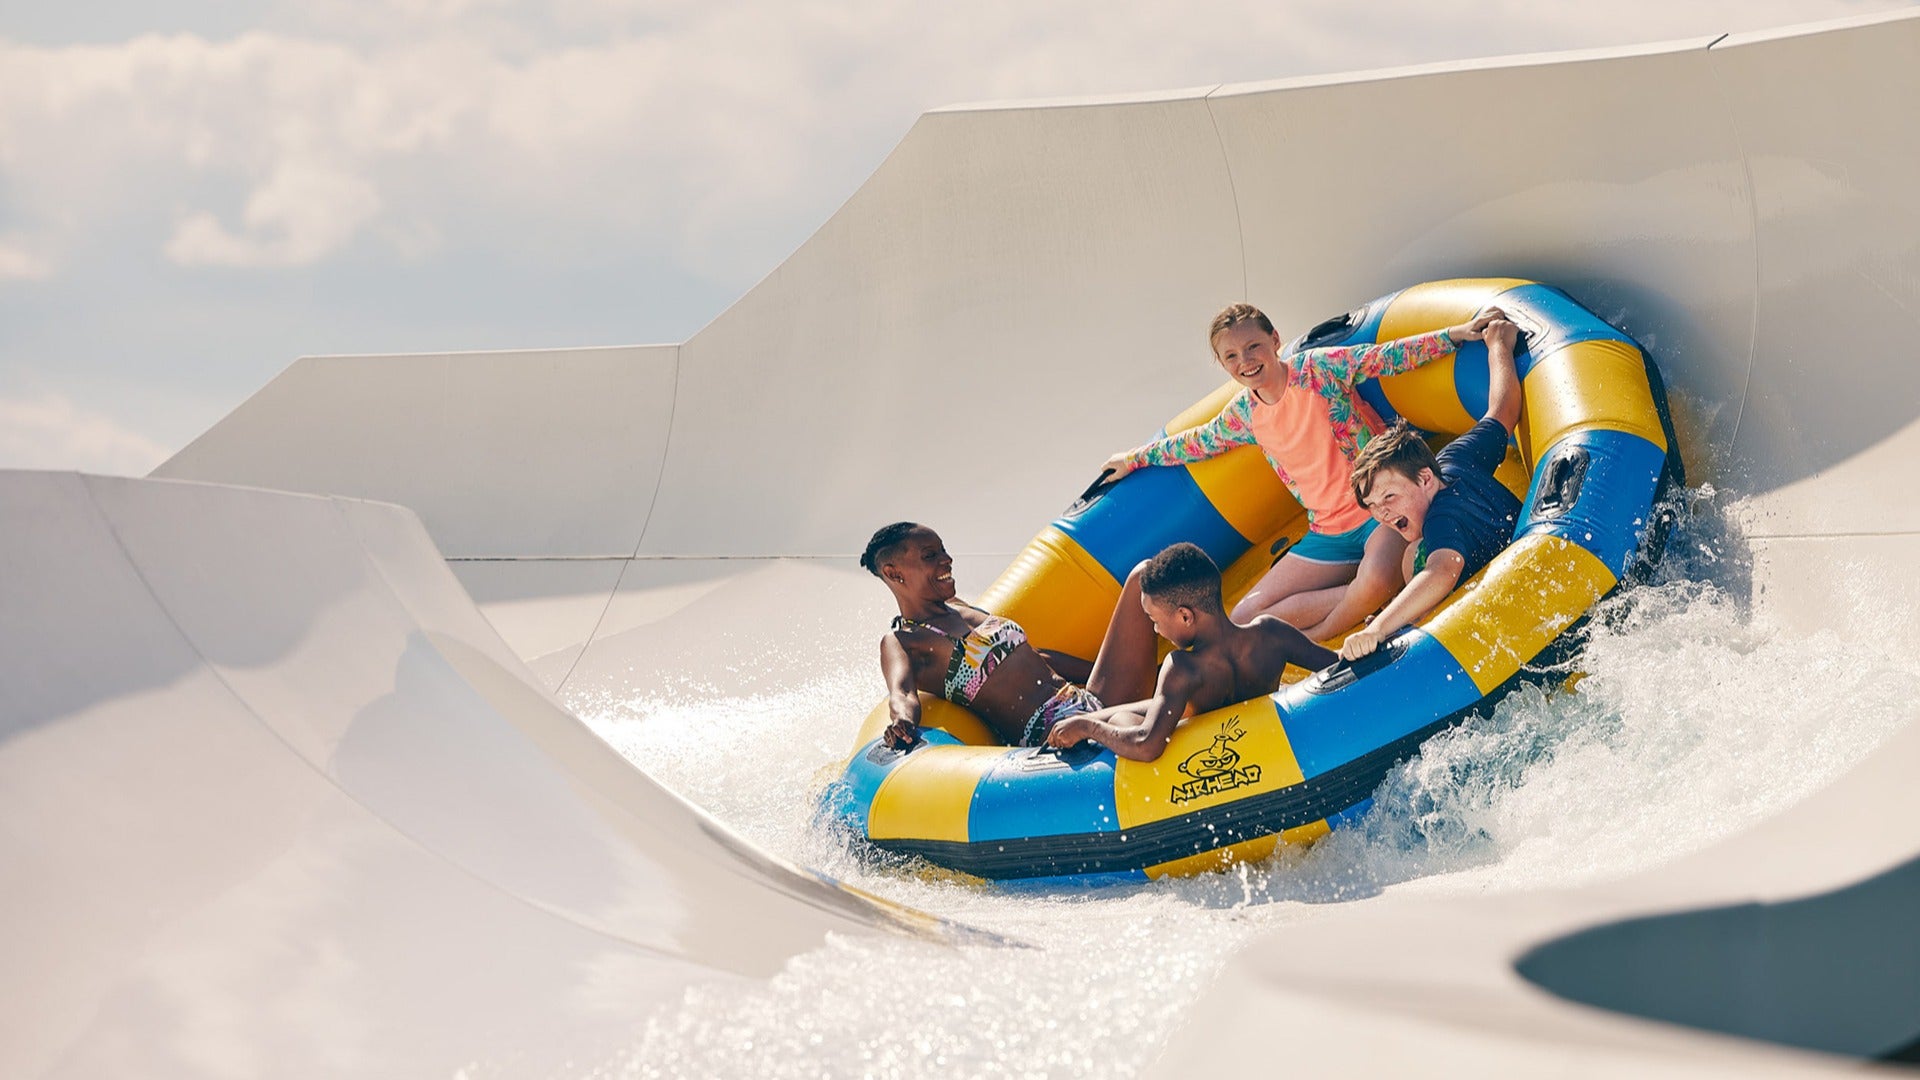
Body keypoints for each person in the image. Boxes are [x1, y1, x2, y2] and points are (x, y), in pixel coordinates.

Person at [1100, 302, 1506, 643]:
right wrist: (1134, 458)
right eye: (1231, 357)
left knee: (1373, 581)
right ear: (1223, 365)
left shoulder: (1317, 371)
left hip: (1375, 515)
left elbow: (1386, 357)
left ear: (1275, 340)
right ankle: (1351, 603)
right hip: (1327, 531)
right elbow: (1196, 442)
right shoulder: (1244, 414)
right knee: (1244, 615)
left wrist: (1458, 333)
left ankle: (1321, 635)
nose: (1246, 362)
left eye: (1254, 346)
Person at [863, 522, 1162, 749]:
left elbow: (1037, 657)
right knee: (1158, 712)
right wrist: (902, 722)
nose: (947, 559)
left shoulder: (962, 610)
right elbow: (902, 693)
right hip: (1058, 732)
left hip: (1090, 701)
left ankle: (1182, 677)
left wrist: (1129, 670)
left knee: (1144, 575)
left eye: (943, 550)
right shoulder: (905, 640)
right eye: (931, 555)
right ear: (894, 573)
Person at [1043, 542, 1336, 761]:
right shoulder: (1271, 634)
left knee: (1121, 722)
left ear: (1185, 616)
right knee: (1122, 712)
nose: (1156, 631)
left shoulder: (1184, 667)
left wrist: (1087, 727)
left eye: (1155, 621)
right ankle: (1093, 716)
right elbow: (1337, 665)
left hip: (1208, 753)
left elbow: (1147, 744)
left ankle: (1086, 718)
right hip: (1257, 732)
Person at [1339, 318, 1525, 661]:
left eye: (1389, 497)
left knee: (1416, 558)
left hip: (1517, 604)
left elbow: (1442, 570)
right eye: (1373, 505)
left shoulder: (1442, 519)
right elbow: (1503, 411)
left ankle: (1418, 616)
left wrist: (1378, 628)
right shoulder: (1453, 460)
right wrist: (1500, 345)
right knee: (1412, 552)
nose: (1382, 513)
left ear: (1424, 479)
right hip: (1514, 552)